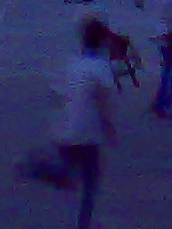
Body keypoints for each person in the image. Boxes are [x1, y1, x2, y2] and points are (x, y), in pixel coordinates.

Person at [28, 16, 120, 229]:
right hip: (86, 132)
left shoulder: (73, 63)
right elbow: (103, 100)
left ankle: (41, 168)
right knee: (90, 181)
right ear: (103, 41)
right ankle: (84, 223)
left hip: (64, 128)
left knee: (69, 171)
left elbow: (56, 92)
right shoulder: (101, 67)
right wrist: (109, 128)